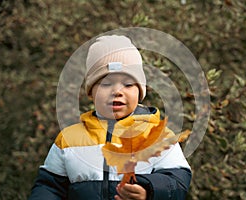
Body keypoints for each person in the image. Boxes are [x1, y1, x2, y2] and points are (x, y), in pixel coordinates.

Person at [28, 35, 192, 200]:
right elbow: (49, 187)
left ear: (140, 92)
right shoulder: (68, 140)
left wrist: (149, 189)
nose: (117, 91)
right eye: (106, 84)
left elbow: (178, 181)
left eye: (128, 84)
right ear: (91, 92)